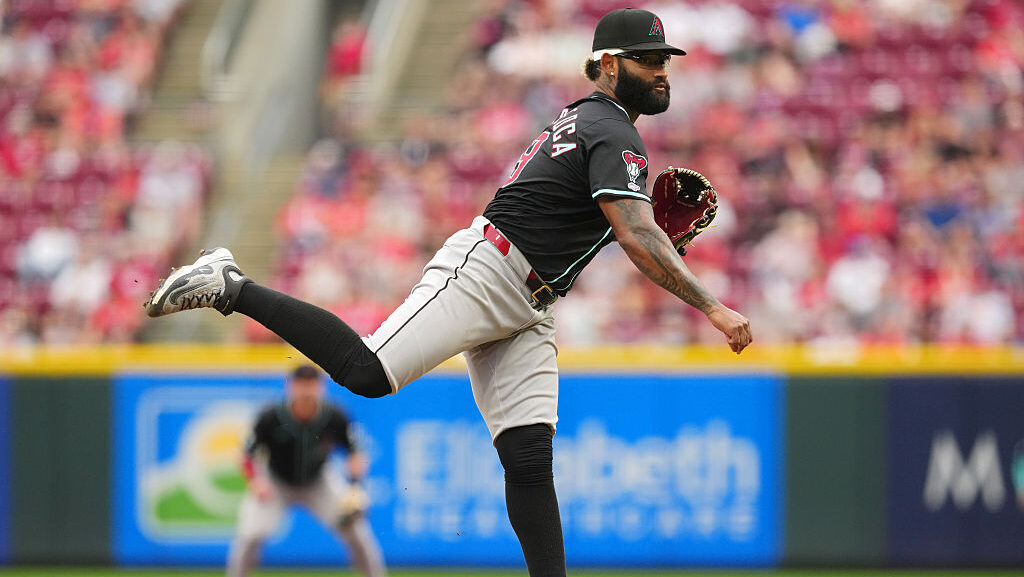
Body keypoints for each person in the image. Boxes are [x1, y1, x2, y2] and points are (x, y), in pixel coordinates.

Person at [147, 8, 752, 576]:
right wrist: (713, 306)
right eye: (649, 59)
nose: (662, 70)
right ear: (610, 65)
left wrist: (640, 233)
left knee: (529, 460)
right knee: (367, 372)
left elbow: (597, 226)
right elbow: (633, 232)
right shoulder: (610, 128)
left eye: (665, 60)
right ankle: (231, 285)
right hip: (488, 272)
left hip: (532, 300)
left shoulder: (594, 122)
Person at [227, 364, 387, 577]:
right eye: (301, 385)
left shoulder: (334, 415)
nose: (306, 391)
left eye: (311, 385)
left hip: (319, 480)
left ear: (321, 387)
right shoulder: (271, 416)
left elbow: (355, 452)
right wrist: (256, 481)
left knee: (357, 532)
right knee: (250, 535)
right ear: (290, 387)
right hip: (276, 481)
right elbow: (246, 454)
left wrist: (355, 487)